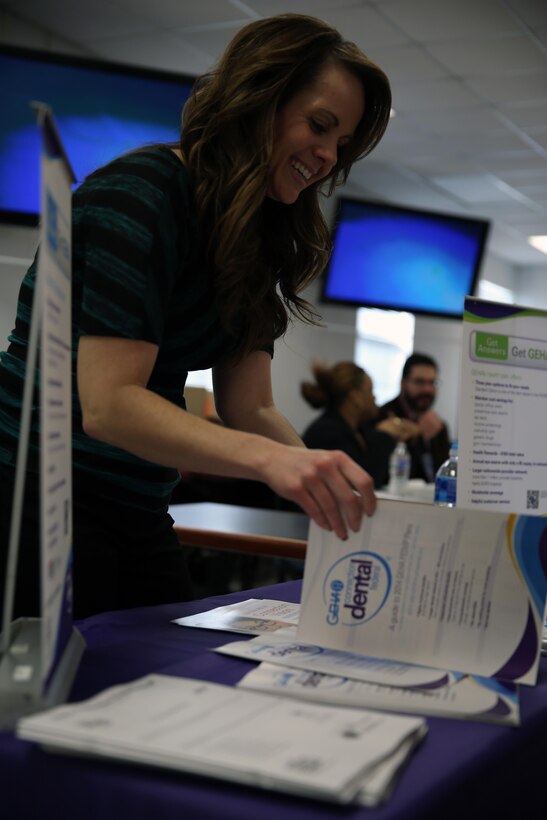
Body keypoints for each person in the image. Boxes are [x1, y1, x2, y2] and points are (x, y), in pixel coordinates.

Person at [0, 14, 392, 619]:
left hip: (134, 505)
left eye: (340, 144)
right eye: (319, 126)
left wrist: (324, 483)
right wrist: (273, 462)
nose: (326, 156)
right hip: (30, 495)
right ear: (259, 100)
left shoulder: (255, 239)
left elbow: (250, 407)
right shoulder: (141, 193)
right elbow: (109, 405)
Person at [301, 362, 419, 488]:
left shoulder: (360, 430)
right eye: (370, 390)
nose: (374, 397)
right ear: (355, 397)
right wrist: (385, 436)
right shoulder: (326, 432)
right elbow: (362, 480)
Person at [377, 353, 450, 482]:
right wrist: (418, 435)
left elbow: (445, 474)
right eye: (419, 382)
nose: (427, 389)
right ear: (403, 383)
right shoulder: (384, 417)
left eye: (432, 382)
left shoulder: (438, 426)